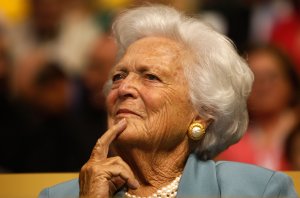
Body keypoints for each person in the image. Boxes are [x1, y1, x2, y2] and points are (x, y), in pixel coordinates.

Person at [39, 5, 297, 198]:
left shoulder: (257, 191)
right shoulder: (60, 196)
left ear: (201, 113)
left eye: (151, 77)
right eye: (118, 76)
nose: (124, 88)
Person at [217, 44, 300, 170]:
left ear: (290, 83)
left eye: (271, 77)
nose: (263, 87)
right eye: (254, 78)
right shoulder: (228, 137)